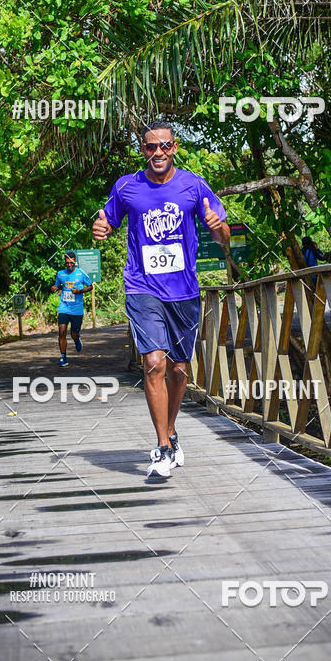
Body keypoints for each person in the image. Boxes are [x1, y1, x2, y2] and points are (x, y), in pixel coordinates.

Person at [92, 120, 230, 477]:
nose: (158, 153)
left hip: (183, 290)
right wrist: (101, 227)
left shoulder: (194, 185)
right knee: (154, 362)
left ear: (175, 147)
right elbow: (107, 220)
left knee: (179, 369)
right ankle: (162, 446)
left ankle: (171, 430)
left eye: (164, 146)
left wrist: (218, 228)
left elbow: (224, 235)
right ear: (143, 150)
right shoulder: (126, 186)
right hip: (142, 287)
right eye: (151, 147)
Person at [51, 251, 93, 367]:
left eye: (71, 262)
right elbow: (59, 285)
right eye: (67, 263)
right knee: (62, 331)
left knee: (74, 333)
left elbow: (90, 287)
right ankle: (63, 357)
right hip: (64, 307)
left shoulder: (81, 273)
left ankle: (76, 339)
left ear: (75, 261)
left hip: (77, 309)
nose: (69, 265)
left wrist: (79, 291)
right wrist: (55, 287)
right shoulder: (60, 274)